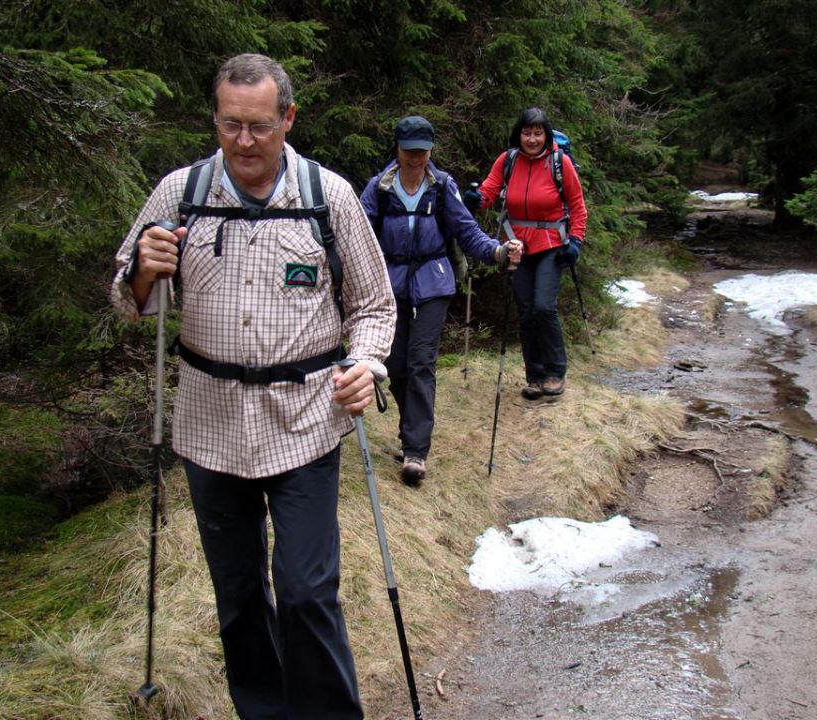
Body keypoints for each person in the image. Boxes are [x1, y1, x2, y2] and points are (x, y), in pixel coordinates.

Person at [110, 53, 396, 720]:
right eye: (229, 124)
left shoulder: (330, 197)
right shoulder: (179, 194)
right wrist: (144, 274)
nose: (243, 141)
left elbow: (375, 306)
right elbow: (129, 300)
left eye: (260, 126)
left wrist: (367, 364)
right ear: (216, 118)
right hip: (209, 424)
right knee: (237, 594)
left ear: (288, 119)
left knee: (305, 591)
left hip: (305, 419)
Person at [359, 115, 521, 486]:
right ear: (397, 149)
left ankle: (416, 451)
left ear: (431, 150)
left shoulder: (442, 186)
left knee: (420, 363)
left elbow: (467, 232)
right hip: (390, 286)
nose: (416, 159)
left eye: (422, 151)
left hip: (433, 284)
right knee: (394, 366)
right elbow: (358, 233)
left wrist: (497, 252)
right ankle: (410, 431)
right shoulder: (379, 188)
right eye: (409, 151)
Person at [464, 107, 587, 400]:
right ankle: (536, 376)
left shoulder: (560, 163)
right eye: (527, 132)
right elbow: (489, 193)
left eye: (537, 133)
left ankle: (556, 372)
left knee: (544, 306)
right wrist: (476, 199)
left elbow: (578, 206)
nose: (532, 139)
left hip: (551, 245)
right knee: (527, 309)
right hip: (516, 245)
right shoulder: (508, 161)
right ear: (519, 134)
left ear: (546, 135)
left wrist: (576, 242)